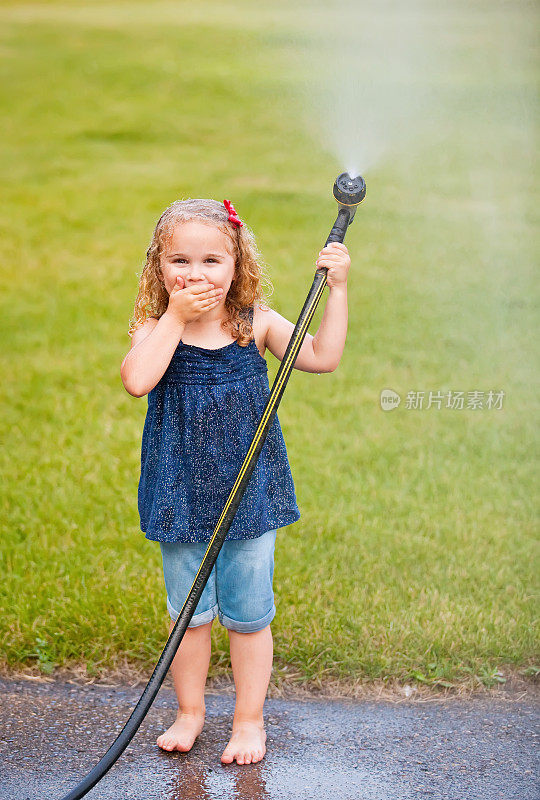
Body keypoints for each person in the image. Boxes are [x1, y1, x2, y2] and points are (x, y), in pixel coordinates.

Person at [120, 197, 350, 766]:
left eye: (211, 261)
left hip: (249, 494)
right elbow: (136, 380)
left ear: (237, 263)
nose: (195, 274)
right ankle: (190, 712)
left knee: (248, 616)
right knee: (190, 616)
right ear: (158, 268)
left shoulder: (258, 324)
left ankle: (249, 722)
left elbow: (322, 357)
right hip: (180, 493)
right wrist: (173, 317)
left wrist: (338, 289)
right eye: (179, 261)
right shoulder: (156, 327)